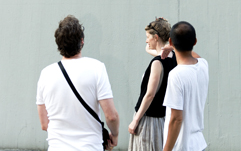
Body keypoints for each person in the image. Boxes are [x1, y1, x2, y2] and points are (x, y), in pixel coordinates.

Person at [36, 15, 119, 151]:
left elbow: (44, 124)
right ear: (82, 41)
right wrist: (114, 135)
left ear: (59, 44)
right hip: (90, 147)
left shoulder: (45, 74)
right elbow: (111, 116)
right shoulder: (97, 68)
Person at [128, 18, 177, 151]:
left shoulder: (157, 63)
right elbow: (149, 50)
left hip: (148, 122)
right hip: (161, 120)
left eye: (148, 37)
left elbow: (150, 95)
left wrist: (135, 120)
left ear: (156, 37)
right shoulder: (172, 57)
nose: (146, 41)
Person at [162, 21, 209, 151]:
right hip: (199, 144)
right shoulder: (203, 65)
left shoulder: (176, 75)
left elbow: (176, 118)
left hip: (182, 146)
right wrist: (175, 46)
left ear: (170, 42)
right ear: (195, 41)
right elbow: (196, 56)